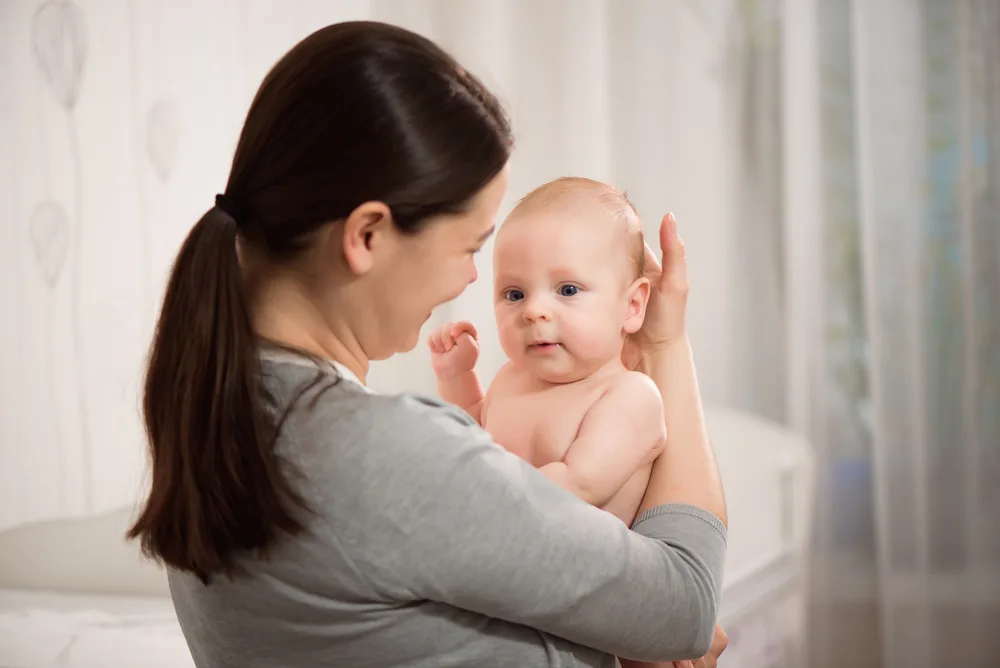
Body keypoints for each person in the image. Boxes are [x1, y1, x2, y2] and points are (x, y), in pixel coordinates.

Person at [126, 20, 729, 668]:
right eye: (470, 246)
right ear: (367, 237)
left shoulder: (217, 403)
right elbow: (687, 608)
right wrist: (663, 344)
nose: (471, 277)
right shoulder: (381, 454)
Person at [428, 177, 664, 528]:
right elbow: (475, 438)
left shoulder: (629, 396)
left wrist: (471, 497)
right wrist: (457, 377)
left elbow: (578, 485)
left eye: (567, 289)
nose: (533, 310)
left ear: (631, 306)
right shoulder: (512, 377)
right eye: (514, 294)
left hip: (577, 577)